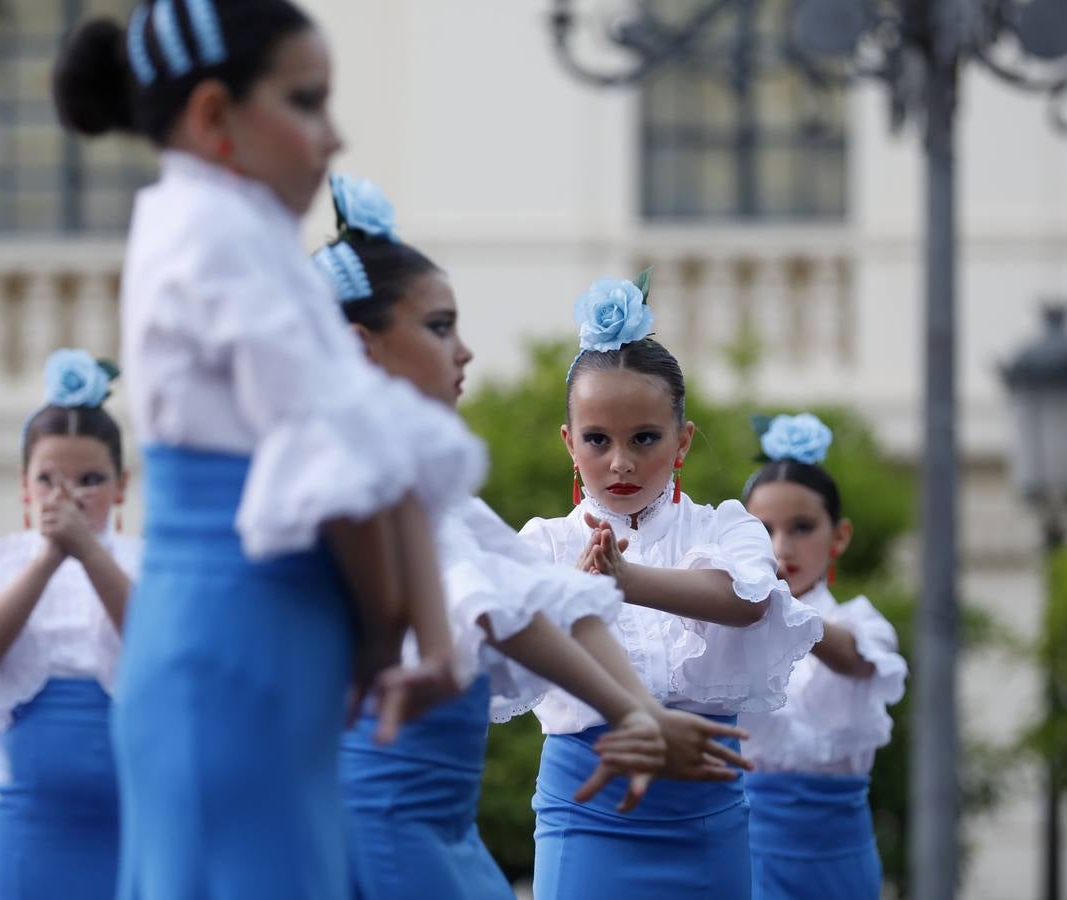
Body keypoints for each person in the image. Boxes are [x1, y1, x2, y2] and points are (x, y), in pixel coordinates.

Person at [52, 3, 487, 896]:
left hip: (262, 644)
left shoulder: (243, 236)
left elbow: (375, 445)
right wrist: (382, 636)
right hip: (231, 643)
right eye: (306, 102)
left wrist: (421, 639)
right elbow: (346, 478)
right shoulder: (212, 239)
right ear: (215, 116)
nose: (334, 135)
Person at [317, 174, 750, 900]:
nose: (464, 353)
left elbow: (548, 605)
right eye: (439, 327)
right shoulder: (341, 477)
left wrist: (640, 716)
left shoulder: (428, 487)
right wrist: (636, 716)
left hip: (433, 822)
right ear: (365, 349)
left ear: (682, 440)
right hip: (381, 817)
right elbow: (498, 611)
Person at [520, 274, 823, 900]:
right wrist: (575, 602)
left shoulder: (724, 527)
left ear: (682, 441)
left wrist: (626, 581)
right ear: (568, 444)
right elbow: (513, 646)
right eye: (598, 440)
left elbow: (746, 600)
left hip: (706, 818)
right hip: (587, 809)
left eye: (645, 438)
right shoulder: (543, 545)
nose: (621, 462)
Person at [0, 349, 139, 900]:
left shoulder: (143, 559)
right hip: (22, 807)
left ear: (121, 486)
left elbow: (156, 646)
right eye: (49, 479)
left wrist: (88, 552)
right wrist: (47, 559)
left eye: (90, 479)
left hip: (132, 807)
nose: (68, 495)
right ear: (25, 487)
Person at [740, 412, 908, 900]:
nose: (780, 546)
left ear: (840, 536)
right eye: (762, 529)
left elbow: (855, 659)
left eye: (802, 527)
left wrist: (775, 606)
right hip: (743, 853)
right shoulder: (724, 628)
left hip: (838, 860)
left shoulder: (861, 621)